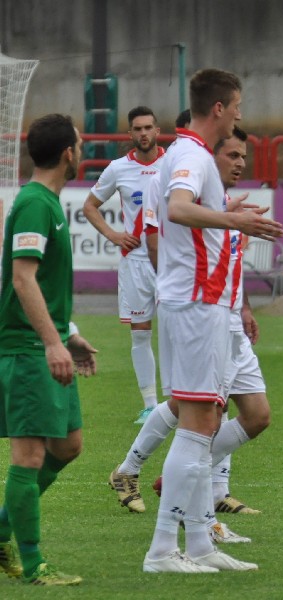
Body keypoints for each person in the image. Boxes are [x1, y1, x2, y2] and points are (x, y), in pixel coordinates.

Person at [143, 68, 282, 574]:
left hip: (205, 306)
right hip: (196, 305)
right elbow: (179, 210)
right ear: (219, 108)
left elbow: (190, 210)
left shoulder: (189, 156)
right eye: (238, 105)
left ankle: (199, 544)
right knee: (198, 426)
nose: (242, 115)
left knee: (207, 424)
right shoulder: (191, 156)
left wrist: (226, 208)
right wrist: (234, 219)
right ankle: (162, 550)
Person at [110, 127, 268, 536]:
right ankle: (181, 498)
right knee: (197, 409)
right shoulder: (181, 178)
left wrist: (245, 306)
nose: (240, 162)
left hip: (229, 317)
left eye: (242, 155)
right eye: (231, 154)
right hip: (199, 310)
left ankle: (191, 484)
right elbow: (164, 243)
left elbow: (228, 259)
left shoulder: (221, 204)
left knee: (253, 415)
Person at [0, 114, 98, 585]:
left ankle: (0, 529)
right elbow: (23, 278)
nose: (81, 152)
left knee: (69, 445)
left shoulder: (47, 202)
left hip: (45, 342)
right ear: (67, 154)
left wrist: (69, 334)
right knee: (30, 455)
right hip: (26, 349)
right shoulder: (37, 204)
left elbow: (40, 283)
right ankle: (34, 564)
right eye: (79, 145)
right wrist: (52, 342)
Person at [83, 106, 165, 425]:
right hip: (136, 263)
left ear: (157, 131)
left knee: (178, 329)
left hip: (172, 262)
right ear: (130, 135)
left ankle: (183, 400)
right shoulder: (118, 169)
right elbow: (91, 206)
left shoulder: (174, 165)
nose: (143, 133)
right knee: (141, 334)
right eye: (137, 129)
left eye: (148, 127)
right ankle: (149, 406)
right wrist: (114, 235)